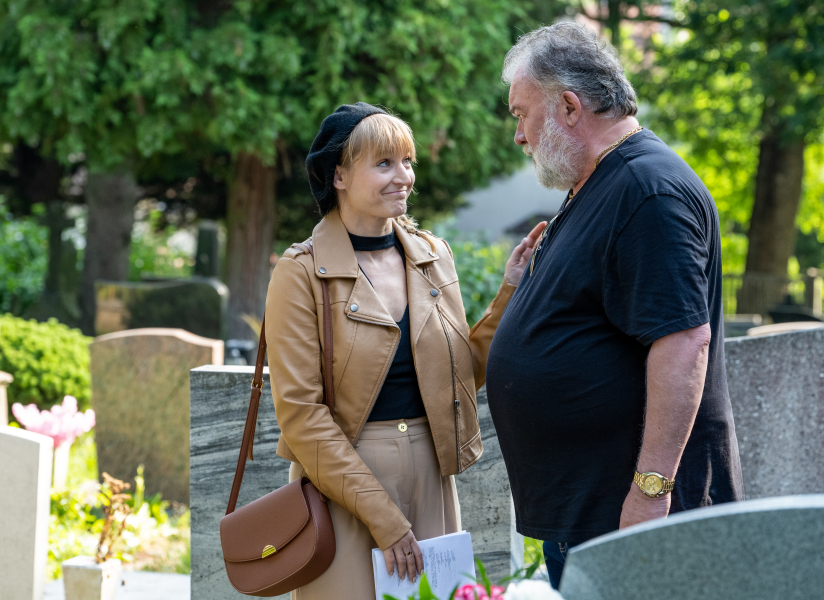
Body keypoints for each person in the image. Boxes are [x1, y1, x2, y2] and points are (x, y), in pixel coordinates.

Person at [486, 23, 744, 589]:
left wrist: (650, 494)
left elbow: (683, 342)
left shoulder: (648, 190)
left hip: (633, 520)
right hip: (592, 514)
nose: (519, 136)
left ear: (569, 106)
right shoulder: (598, 183)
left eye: (521, 114)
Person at [264, 102, 545, 600]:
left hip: (432, 475)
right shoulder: (302, 272)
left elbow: (459, 376)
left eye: (408, 162)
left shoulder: (433, 256)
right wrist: (383, 518)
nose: (404, 177)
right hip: (343, 485)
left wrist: (510, 292)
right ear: (338, 176)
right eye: (384, 163)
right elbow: (301, 415)